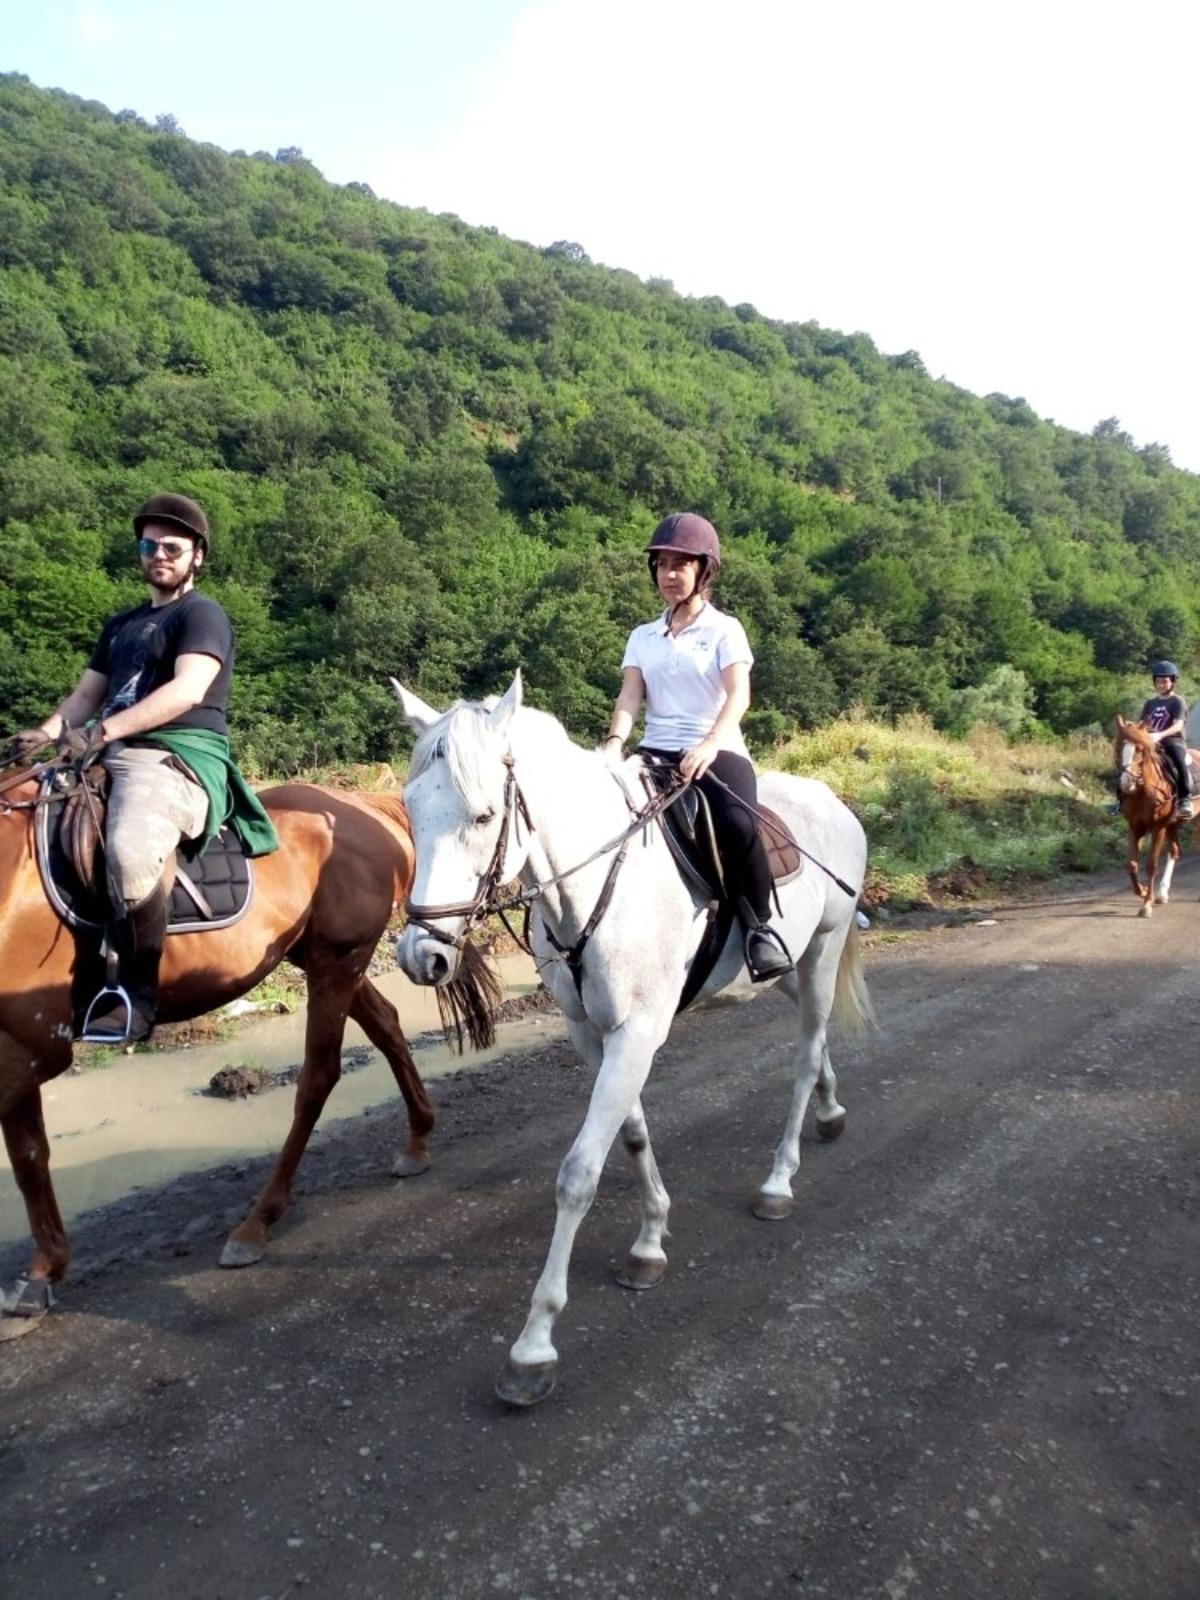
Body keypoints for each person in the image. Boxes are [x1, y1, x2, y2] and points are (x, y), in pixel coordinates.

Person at [3, 492, 278, 1041]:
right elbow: (84, 700)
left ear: (196, 555)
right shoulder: (121, 624)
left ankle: (134, 990)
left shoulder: (202, 614)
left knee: (129, 850)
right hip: (109, 749)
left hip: (175, 756)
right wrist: (41, 736)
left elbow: (187, 690)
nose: (158, 555)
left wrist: (103, 731)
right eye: (148, 545)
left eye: (171, 547)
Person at [604, 511, 792, 983]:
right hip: (654, 752)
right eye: (662, 564)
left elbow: (739, 696)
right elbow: (630, 695)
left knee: (736, 822)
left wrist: (710, 745)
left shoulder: (724, 630)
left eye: (680, 564)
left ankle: (758, 928)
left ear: (703, 570)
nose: (669, 574)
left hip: (717, 750)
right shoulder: (642, 636)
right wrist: (613, 745)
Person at [1139, 659, 1193, 819]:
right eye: (1158, 682)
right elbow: (1142, 723)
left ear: (1173, 682)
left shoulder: (1177, 702)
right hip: (1150, 742)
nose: (1161, 685)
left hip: (1172, 741)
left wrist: (1160, 735)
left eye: (1164, 681)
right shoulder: (1150, 703)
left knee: (1178, 761)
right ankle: (1121, 799)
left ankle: (1185, 799)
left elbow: (1178, 725)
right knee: (1129, 762)